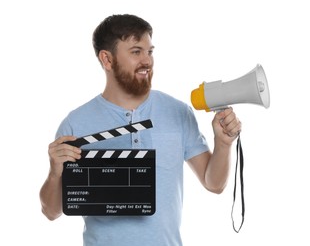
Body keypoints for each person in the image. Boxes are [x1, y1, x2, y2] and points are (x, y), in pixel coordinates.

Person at [39, 14, 242, 246]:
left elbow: (214, 183)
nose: (147, 61)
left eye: (150, 51)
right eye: (136, 51)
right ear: (107, 59)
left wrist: (224, 144)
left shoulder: (178, 112)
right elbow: (51, 211)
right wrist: (55, 173)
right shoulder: (76, 123)